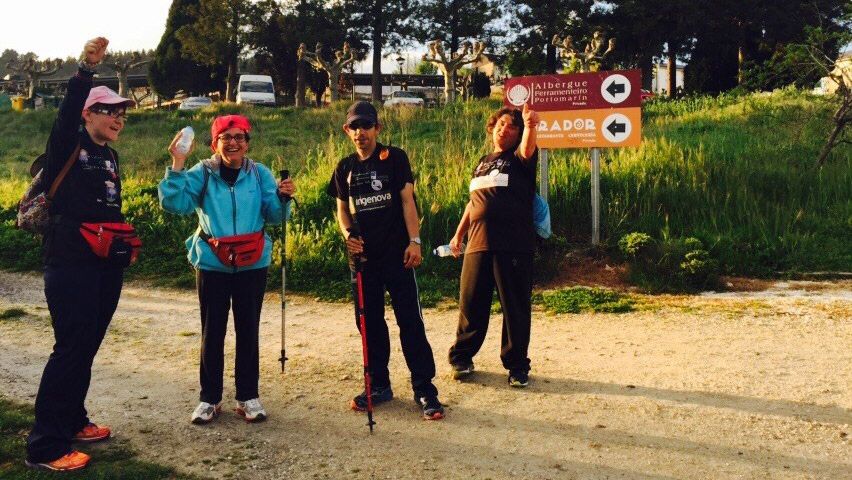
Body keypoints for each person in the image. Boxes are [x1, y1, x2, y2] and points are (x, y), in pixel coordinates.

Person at [25, 37, 136, 472]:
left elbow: (108, 209)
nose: (118, 118)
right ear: (87, 114)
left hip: (104, 264)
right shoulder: (67, 146)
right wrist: (86, 70)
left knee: (87, 346)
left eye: (121, 112)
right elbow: (66, 112)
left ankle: (73, 419)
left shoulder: (110, 156)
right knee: (70, 348)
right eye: (109, 110)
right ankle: (45, 446)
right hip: (69, 263)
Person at [158, 114, 294, 424]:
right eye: (226, 137)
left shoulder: (260, 174)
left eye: (239, 137)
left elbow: (274, 215)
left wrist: (284, 198)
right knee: (213, 331)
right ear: (214, 143)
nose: (233, 143)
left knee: (248, 330)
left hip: (252, 262)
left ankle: (248, 397)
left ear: (247, 142)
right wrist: (178, 163)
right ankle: (210, 399)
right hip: (212, 263)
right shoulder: (201, 173)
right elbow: (173, 205)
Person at [327, 101, 444, 420]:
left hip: (398, 255)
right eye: (354, 126)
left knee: (410, 321)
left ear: (377, 128)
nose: (360, 132)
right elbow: (342, 210)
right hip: (364, 260)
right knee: (369, 323)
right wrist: (348, 235)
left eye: (366, 125)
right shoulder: (344, 167)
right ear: (346, 130)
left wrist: (415, 241)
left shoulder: (395, 158)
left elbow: (407, 201)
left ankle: (425, 389)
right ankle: (378, 385)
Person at [447, 102, 540, 388]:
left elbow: (527, 148)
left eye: (512, 126)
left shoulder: (521, 158)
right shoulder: (483, 161)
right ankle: (462, 358)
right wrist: (458, 234)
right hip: (477, 243)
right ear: (492, 128)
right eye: (500, 124)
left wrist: (531, 125)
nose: (504, 129)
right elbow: (473, 202)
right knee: (470, 303)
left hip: (512, 244)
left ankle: (517, 367)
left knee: (514, 308)